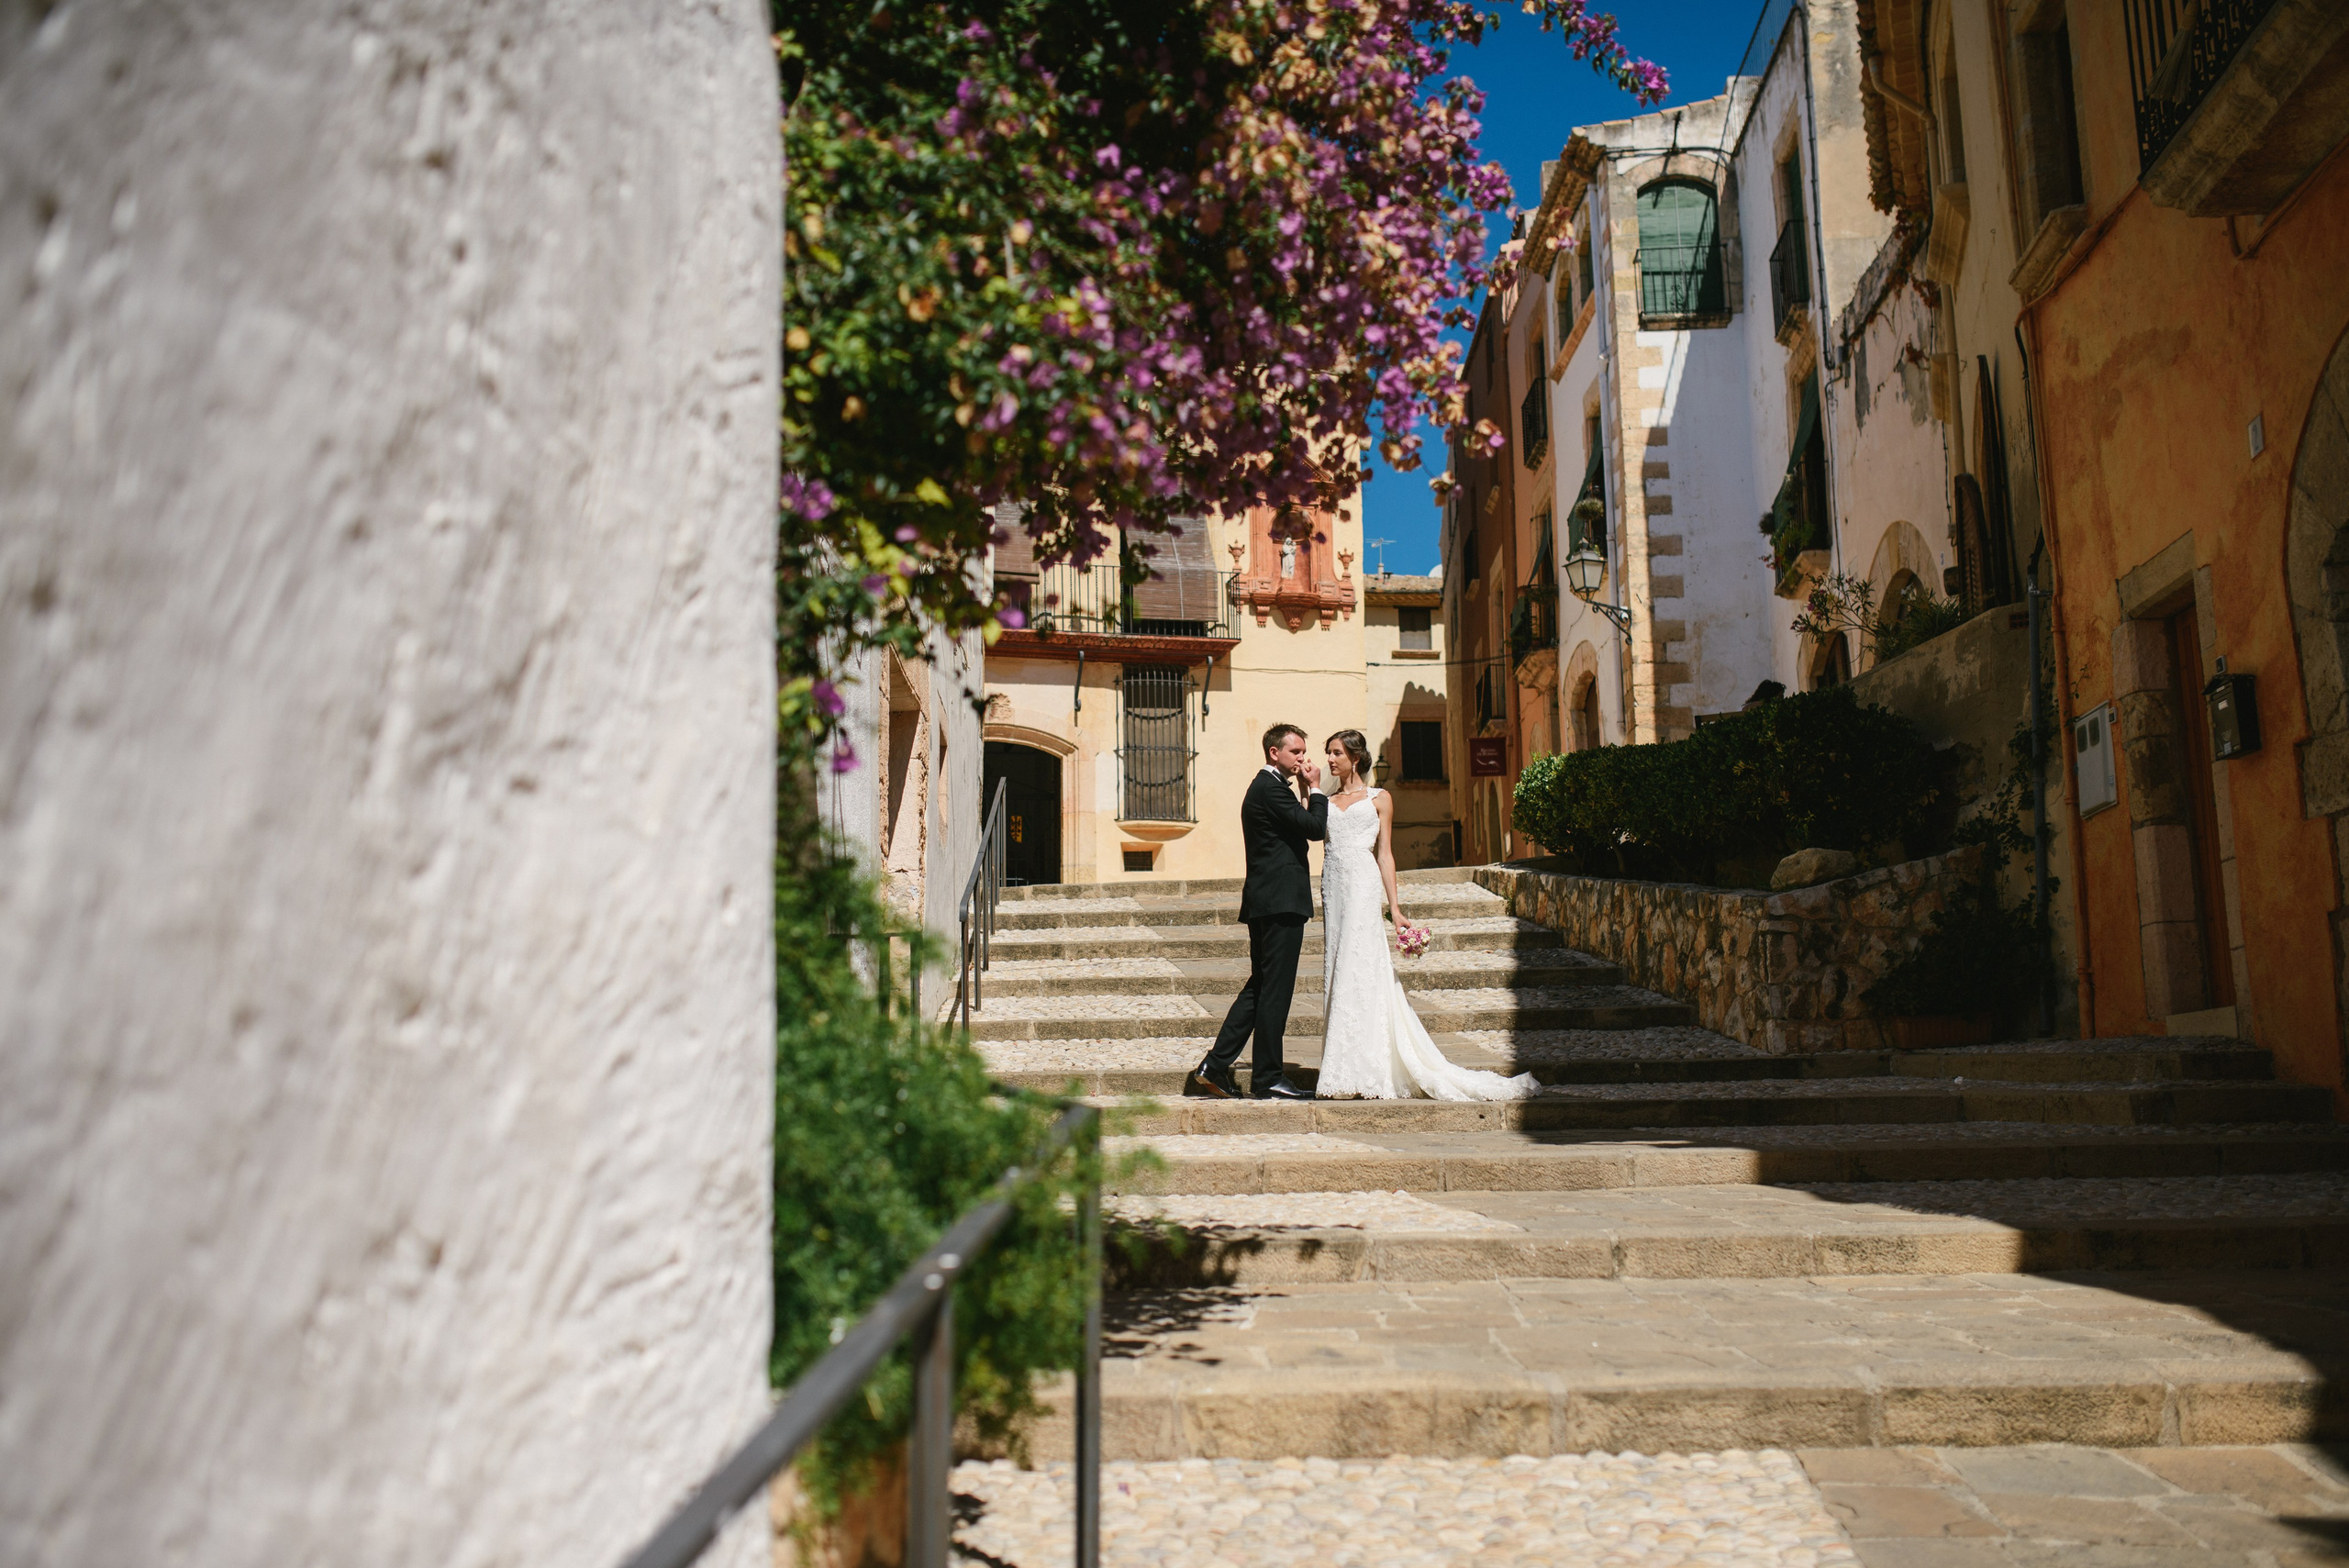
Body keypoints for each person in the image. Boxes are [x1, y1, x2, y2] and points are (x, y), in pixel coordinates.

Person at [1313, 729, 1539, 1102]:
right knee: (1338, 967)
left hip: (1363, 885)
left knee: (1363, 966)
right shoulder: (1324, 799)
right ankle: (1342, 1067)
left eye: (1336, 753)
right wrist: (1310, 789)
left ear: (1355, 758)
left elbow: (1385, 854)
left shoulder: (1380, 799)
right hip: (1333, 886)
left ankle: (1370, 1067)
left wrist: (1395, 909)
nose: (1330, 760)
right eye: (1329, 753)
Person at [1189, 724, 1325, 1099]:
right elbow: (1314, 828)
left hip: (1269, 900)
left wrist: (1301, 790)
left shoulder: (1270, 789)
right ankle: (1267, 1077)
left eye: (1303, 751)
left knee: (1261, 988)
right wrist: (1314, 788)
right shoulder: (1269, 789)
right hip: (1279, 902)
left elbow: (1296, 831)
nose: (1303, 757)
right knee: (1274, 993)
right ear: (1274, 753)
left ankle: (1214, 1066)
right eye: (1295, 751)